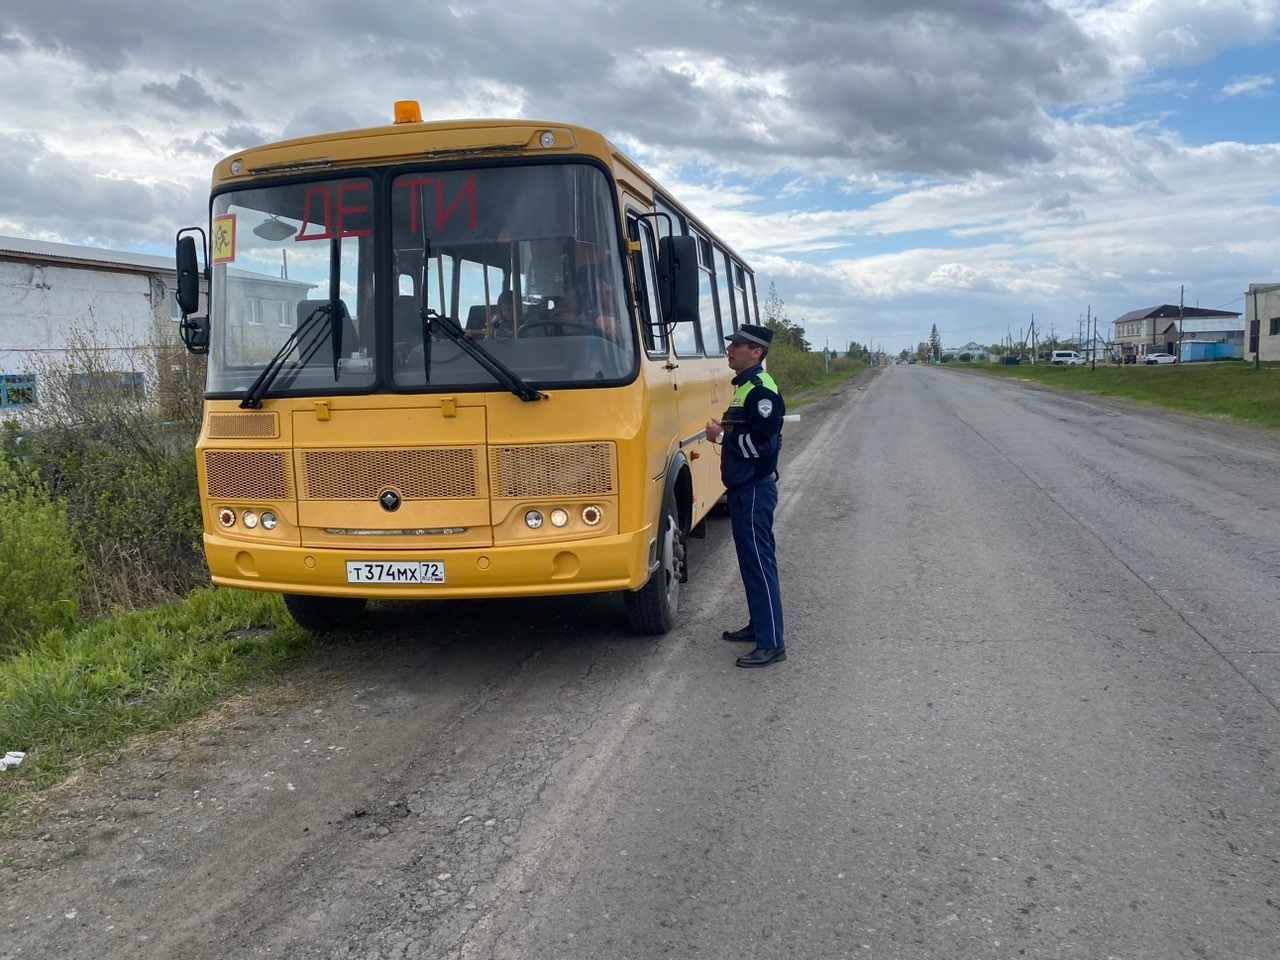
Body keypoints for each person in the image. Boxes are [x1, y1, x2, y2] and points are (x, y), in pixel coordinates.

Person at [705, 324, 786, 668]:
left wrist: (722, 438)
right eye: (732, 344)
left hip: (753, 489)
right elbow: (749, 433)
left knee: (759, 564)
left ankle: (771, 644)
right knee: (751, 565)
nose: (731, 349)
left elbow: (764, 446)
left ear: (757, 353)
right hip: (743, 489)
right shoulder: (744, 388)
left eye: (738, 345)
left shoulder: (761, 392)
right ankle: (759, 626)